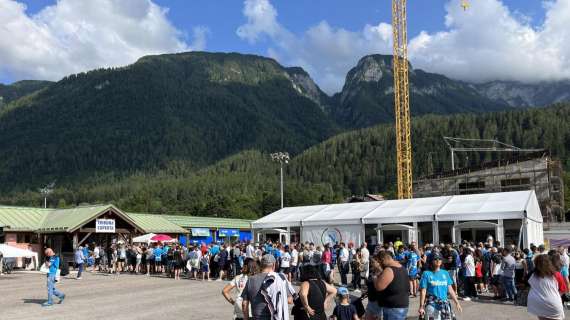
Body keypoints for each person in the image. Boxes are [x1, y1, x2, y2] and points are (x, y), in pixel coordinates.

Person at [242, 254, 295, 320]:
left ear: (261, 265)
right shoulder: (280, 279)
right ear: (273, 265)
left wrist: (246, 318)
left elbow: (244, 303)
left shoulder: (251, 280)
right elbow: (290, 300)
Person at [418, 252, 462, 320]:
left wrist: (457, 302)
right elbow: (423, 291)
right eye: (435, 259)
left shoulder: (445, 273)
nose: (438, 260)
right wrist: (421, 306)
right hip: (432, 304)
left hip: (445, 304)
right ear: (431, 261)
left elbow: (450, 290)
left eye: (440, 258)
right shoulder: (426, 274)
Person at [527, 254, 565, 320]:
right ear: (550, 263)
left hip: (537, 304)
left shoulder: (533, 275)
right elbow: (563, 290)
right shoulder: (556, 275)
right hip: (553, 305)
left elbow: (529, 284)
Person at [374, 251, 410, 320]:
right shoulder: (402, 268)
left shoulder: (389, 270)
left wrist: (375, 278)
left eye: (379, 262)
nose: (379, 264)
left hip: (393, 307)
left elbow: (379, 287)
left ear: (383, 259)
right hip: (401, 305)